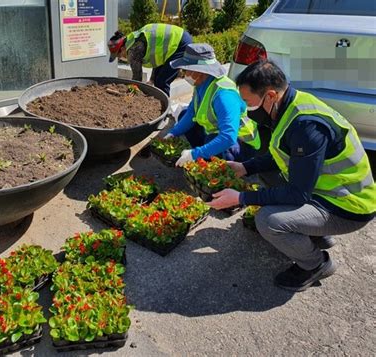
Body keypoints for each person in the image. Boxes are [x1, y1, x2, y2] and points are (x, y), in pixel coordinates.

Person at [207, 60, 375, 292]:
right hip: (327, 190)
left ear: (271, 96)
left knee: (269, 221)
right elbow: (283, 153)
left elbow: (298, 193)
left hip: (349, 206)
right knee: (268, 178)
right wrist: (246, 167)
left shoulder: (306, 127)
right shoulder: (292, 104)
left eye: (247, 101)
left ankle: (316, 264)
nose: (246, 108)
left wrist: (240, 198)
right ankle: (316, 234)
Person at [161, 43, 260, 167]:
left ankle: (213, 166)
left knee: (212, 140)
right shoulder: (201, 84)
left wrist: (195, 154)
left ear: (199, 71)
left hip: (240, 145)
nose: (184, 73)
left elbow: (228, 137)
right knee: (183, 114)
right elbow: (192, 112)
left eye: (186, 69)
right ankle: (204, 155)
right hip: (216, 133)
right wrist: (173, 133)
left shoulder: (224, 95)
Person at [108, 23, 192, 96]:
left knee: (162, 82)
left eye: (118, 55)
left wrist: (130, 91)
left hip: (179, 44)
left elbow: (137, 78)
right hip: (179, 38)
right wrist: (151, 80)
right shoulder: (132, 39)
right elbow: (156, 59)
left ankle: (166, 111)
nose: (120, 58)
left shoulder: (132, 50)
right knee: (158, 80)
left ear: (122, 48)